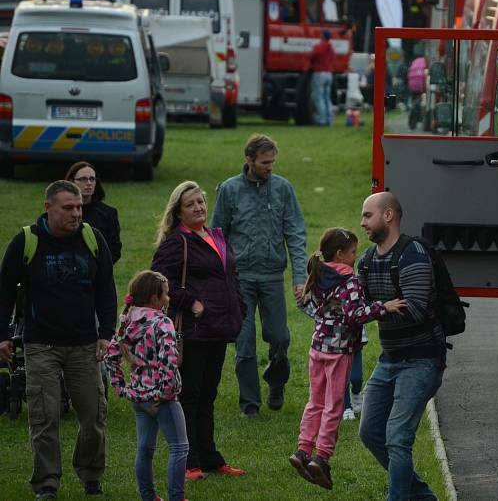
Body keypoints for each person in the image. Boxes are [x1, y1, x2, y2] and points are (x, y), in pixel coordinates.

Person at [0, 180, 116, 500]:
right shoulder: (26, 241)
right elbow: (5, 291)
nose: (76, 213)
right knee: (44, 416)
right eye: (68, 208)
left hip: (84, 345)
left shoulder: (93, 239)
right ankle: (46, 484)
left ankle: (91, 475)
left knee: (94, 416)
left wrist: (106, 334)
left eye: (79, 207)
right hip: (40, 346)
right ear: (47, 207)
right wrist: (3, 337)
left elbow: (107, 289)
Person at [290, 227, 405, 490]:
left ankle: (302, 450)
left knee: (315, 401)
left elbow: (317, 310)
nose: (356, 256)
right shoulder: (349, 280)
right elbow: (355, 315)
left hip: (317, 348)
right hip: (338, 351)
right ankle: (322, 457)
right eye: (353, 252)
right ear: (340, 254)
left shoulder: (320, 274)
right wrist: (383, 307)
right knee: (333, 406)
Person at [152, 181, 245, 481]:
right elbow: (159, 281)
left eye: (201, 202)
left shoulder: (216, 235)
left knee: (209, 395)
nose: (199, 208)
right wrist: (190, 302)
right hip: (192, 331)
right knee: (190, 395)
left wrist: (239, 307)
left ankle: (209, 456)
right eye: (191, 204)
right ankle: (189, 460)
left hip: (219, 328)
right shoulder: (176, 242)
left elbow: (232, 274)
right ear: (178, 211)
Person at [357, 191, 445, 501]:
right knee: (369, 432)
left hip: (422, 361)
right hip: (390, 358)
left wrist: (374, 309)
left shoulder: (413, 254)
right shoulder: (366, 261)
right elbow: (358, 309)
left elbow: (416, 309)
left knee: (397, 439)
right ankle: (422, 497)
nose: (362, 222)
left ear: (388, 216)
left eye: (368, 215)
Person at [211, 134, 307, 415]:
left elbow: (296, 233)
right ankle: (249, 403)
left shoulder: (283, 189)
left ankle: (276, 381)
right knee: (244, 344)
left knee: (280, 337)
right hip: (239, 280)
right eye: (265, 162)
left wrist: (299, 277)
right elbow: (218, 237)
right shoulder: (229, 190)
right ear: (249, 160)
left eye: (273, 162)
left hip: (272, 276)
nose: (270, 167)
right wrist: (220, 280)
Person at [105, 270, 188, 501]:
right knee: (179, 447)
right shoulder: (162, 323)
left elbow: (110, 356)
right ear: (154, 298)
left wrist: (121, 388)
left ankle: (148, 497)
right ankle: (176, 497)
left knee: (145, 450)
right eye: (166, 294)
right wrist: (167, 391)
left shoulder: (128, 322)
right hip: (162, 398)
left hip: (138, 397)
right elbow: (169, 359)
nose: (169, 298)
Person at [65, 161, 122, 264]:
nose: (89, 183)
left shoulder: (108, 213)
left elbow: (115, 250)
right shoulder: (61, 211)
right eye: (83, 179)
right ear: (71, 181)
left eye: (92, 179)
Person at [306, 29, 335, 126]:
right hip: (329, 74)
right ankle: (329, 120)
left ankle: (322, 120)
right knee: (327, 98)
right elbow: (332, 58)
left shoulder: (319, 46)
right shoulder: (331, 48)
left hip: (319, 73)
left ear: (322, 36)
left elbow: (311, 56)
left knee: (319, 97)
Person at [342, 328, 367, 421]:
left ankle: (356, 394)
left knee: (357, 378)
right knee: (343, 378)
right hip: (337, 343)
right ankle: (347, 407)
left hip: (355, 343)